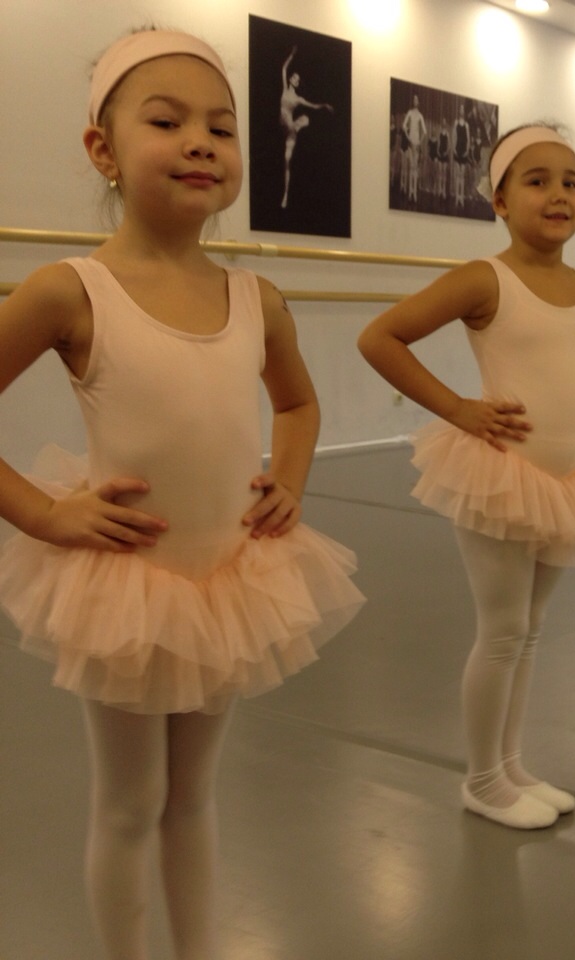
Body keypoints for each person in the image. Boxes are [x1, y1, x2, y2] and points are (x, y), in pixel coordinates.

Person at [0, 30, 364, 960]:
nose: (200, 141)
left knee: (194, 797)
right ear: (103, 149)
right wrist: (44, 514)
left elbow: (298, 403)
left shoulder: (256, 297)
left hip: (227, 580)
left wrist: (290, 480)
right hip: (127, 584)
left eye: (222, 127)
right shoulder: (69, 291)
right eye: (166, 122)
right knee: (130, 803)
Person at [358, 123, 575, 829]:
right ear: (500, 201)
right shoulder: (485, 279)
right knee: (504, 630)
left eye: (571, 182)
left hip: (570, 481)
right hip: (503, 476)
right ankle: (482, 781)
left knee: (530, 630)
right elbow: (381, 338)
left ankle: (511, 765)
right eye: (537, 181)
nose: (558, 194)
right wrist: (459, 409)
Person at [278, 45, 333, 208]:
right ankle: (299, 124)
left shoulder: (298, 99)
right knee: (289, 120)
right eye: (294, 77)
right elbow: (284, 68)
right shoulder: (284, 90)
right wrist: (291, 55)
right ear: (290, 79)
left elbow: (313, 106)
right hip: (282, 125)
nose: (294, 79)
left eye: (297, 79)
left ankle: (285, 195)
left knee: (287, 160)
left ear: (297, 83)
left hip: (289, 131)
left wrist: (324, 105)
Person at [402, 94, 427, 203]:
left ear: (419, 102)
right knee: (411, 167)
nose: (415, 101)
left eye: (417, 99)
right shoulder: (410, 113)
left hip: (416, 144)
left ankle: (414, 193)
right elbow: (404, 126)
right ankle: (410, 192)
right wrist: (408, 138)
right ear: (413, 102)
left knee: (415, 168)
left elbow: (424, 131)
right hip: (410, 143)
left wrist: (419, 143)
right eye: (414, 99)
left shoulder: (420, 115)